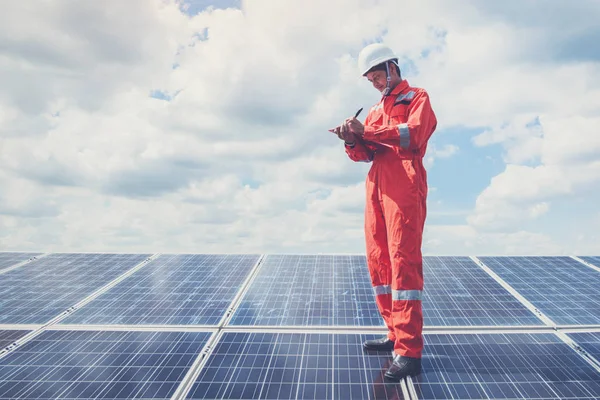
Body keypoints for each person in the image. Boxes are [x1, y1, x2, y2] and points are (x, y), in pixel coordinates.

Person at [331, 43, 437, 380]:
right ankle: (394, 333)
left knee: (403, 262)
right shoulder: (376, 110)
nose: (375, 83)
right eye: (371, 79)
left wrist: (368, 131)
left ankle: (409, 351)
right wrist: (351, 140)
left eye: (377, 76)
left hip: (403, 184)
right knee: (379, 260)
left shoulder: (416, 98)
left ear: (392, 67)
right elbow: (365, 154)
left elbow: (414, 136)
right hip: (376, 185)